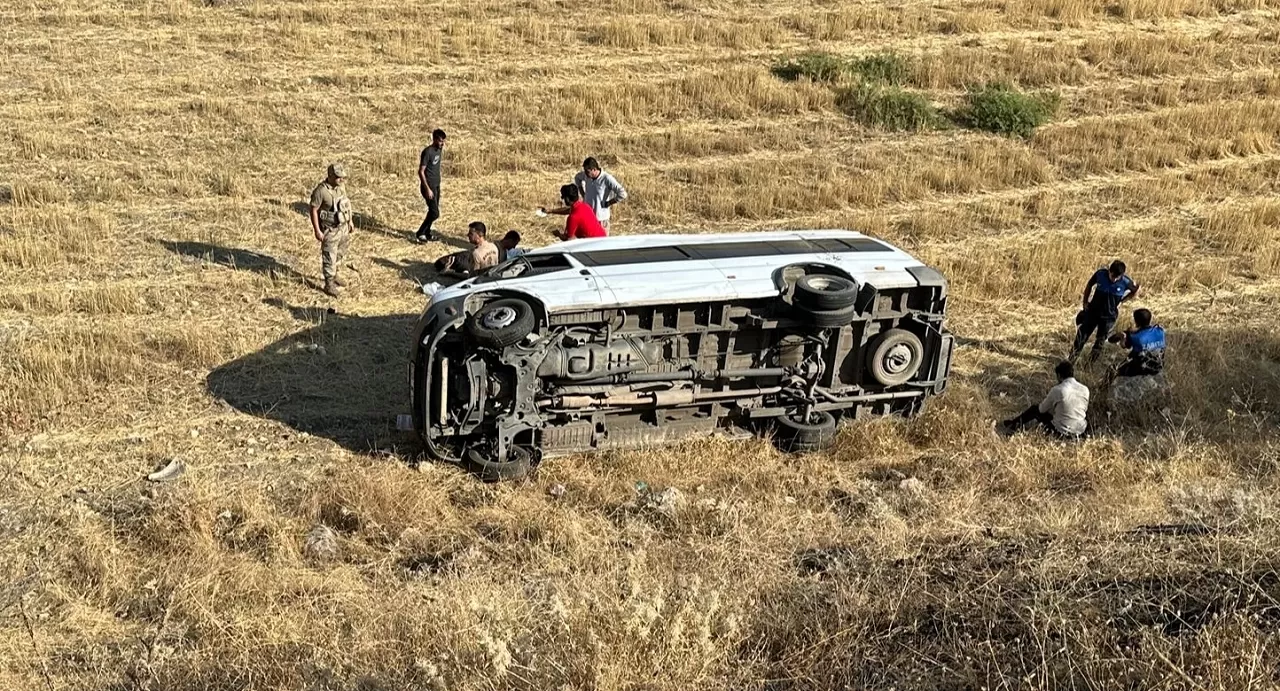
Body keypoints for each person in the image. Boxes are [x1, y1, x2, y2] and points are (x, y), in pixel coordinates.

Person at [1070, 260, 1140, 364]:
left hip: (1109, 317)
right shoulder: (1100, 274)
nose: (1114, 279)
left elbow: (1135, 290)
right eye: (1112, 276)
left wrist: (1122, 301)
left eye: (1117, 277)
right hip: (1093, 312)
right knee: (1081, 336)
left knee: (1100, 341)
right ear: (1109, 271)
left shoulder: (1125, 281)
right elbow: (1089, 284)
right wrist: (1085, 301)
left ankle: (1089, 364)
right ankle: (1071, 361)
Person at [999, 360, 1090, 439]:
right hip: (1080, 431)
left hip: (1060, 431)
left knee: (1035, 409)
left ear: (1059, 376)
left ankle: (1014, 424)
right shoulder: (1085, 389)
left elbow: (1041, 409)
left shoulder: (1057, 390)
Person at [309, 162, 354, 297]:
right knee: (329, 255)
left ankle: (335, 275)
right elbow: (313, 210)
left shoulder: (341, 188)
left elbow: (346, 204)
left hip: (342, 227)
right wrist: (317, 230)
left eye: (342, 177)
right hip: (330, 229)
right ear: (330, 176)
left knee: (340, 253)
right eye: (338, 177)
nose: (341, 179)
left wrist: (350, 221)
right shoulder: (321, 191)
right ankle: (329, 283)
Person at [1107, 308, 1166, 378]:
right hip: (1158, 366)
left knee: (1112, 369)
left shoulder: (1134, 337)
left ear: (1136, 321)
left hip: (1142, 368)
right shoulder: (1160, 330)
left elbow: (1122, 345)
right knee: (1139, 351)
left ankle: (1102, 385)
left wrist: (1123, 336)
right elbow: (1148, 334)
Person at [574, 156, 627, 231]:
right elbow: (577, 178)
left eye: (587, 171)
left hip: (601, 220)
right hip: (588, 219)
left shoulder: (606, 178)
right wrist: (583, 193)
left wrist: (609, 203)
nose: (585, 173)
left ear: (594, 169)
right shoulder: (586, 176)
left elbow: (622, 193)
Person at [541, 184, 606, 241]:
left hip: (594, 244)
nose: (563, 200)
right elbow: (569, 210)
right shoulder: (585, 206)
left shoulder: (573, 217)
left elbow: (567, 238)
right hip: (603, 239)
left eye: (563, 198)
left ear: (567, 199)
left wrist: (558, 234)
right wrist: (551, 211)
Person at [434, 221, 499, 276]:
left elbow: (472, 277)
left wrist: (450, 273)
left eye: (471, 233)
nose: (468, 235)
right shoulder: (494, 247)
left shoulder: (476, 253)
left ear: (480, 235)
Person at [416, 129, 446, 243]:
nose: (442, 143)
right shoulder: (427, 152)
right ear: (434, 139)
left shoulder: (439, 149)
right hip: (429, 187)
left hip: (436, 185)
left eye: (443, 141)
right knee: (435, 213)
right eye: (440, 141)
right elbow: (421, 171)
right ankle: (420, 232)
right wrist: (427, 189)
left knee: (432, 211)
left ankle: (427, 233)